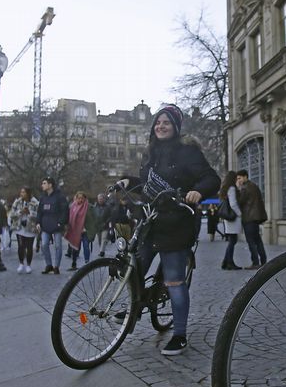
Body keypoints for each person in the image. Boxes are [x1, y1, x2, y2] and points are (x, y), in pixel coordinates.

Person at [119, 104, 220, 356]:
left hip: (177, 222)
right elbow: (146, 183)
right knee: (137, 266)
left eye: (166, 123)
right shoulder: (151, 151)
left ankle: (180, 334)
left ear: (175, 127)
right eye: (158, 123)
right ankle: (134, 307)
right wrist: (127, 181)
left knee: (174, 280)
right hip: (151, 221)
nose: (160, 126)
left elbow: (211, 178)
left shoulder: (187, 151)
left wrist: (198, 191)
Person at [235, 169, 268, 269]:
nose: (239, 180)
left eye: (239, 178)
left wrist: (237, 189)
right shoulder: (254, 186)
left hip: (248, 218)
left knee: (251, 242)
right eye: (237, 179)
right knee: (258, 240)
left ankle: (255, 262)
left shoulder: (244, 188)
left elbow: (239, 202)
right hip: (256, 218)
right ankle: (263, 261)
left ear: (245, 177)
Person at [36, 177, 68, 274]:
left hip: (57, 225)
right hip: (45, 224)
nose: (42, 185)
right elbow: (40, 211)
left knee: (58, 246)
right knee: (44, 244)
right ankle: (48, 264)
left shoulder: (60, 197)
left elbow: (65, 211)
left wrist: (61, 222)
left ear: (50, 185)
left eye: (44, 183)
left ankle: (56, 266)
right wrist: (38, 222)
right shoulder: (43, 197)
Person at [10, 186, 39, 273]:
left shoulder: (35, 202)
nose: (21, 194)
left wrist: (30, 213)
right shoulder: (17, 202)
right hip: (20, 227)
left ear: (28, 193)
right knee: (21, 246)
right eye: (21, 192)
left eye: (24, 192)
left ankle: (28, 265)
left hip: (30, 227)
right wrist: (20, 212)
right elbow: (12, 214)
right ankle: (21, 263)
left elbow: (38, 215)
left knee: (29, 247)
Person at [219, 171, 243, 271]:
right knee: (233, 241)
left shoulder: (226, 188)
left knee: (232, 240)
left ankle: (226, 261)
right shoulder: (232, 188)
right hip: (234, 218)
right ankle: (229, 262)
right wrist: (240, 214)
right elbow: (233, 203)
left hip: (229, 219)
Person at [65, 191, 90, 270]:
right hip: (75, 230)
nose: (80, 200)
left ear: (85, 199)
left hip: (85, 230)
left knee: (86, 246)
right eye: (79, 198)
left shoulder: (88, 207)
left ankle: (87, 263)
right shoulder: (73, 206)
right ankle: (74, 263)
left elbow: (92, 219)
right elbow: (69, 216)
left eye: (82, 198)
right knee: (75, 247)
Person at [92, 193, 113, 257]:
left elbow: (110, 216)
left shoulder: (108, 207)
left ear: (104, 199)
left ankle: (102, 251)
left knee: (104, 238)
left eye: (101, 199)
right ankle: (101, 248)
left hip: (105, 225)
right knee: (99, 240)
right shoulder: (95, 206)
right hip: (98, 226)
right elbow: (93, 215)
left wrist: (107, 222)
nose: (100, 200)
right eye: (99, 199)